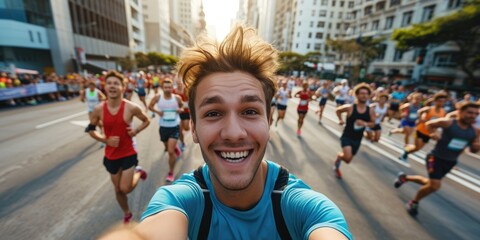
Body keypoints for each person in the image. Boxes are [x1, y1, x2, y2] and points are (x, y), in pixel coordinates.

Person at [100, 25, 352, 240]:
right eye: (213, 113)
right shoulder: (178, 201)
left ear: (269, 120)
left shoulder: (309, 210)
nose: (234, 133)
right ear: (195, 129)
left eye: (250, 111)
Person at [394, 102, 480, 216]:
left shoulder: (475, 131)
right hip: (435, 158)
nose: (472, 116)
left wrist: (476, 147)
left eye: (475, 114)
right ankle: (413, 202)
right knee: (435, 185)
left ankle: (404, 178)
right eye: (469, 112)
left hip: (450, 161)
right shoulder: (448, 123)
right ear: (460, 112)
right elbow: (429, 124)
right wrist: (433, 133)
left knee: (430, 183)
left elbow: (473, 149)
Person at [86, 71, 150, 223]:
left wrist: (136, 130)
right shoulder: (98, 109)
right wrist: (104, 139)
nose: (112, 86)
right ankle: (127, 212)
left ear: (123, 87)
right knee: (117, 189)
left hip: (128, 152)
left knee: (125, 188)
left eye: (116, 83)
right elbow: (90, 129)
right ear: (105, 87)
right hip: (111, 155)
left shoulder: (131, 107)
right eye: (109, 83)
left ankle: (138, 173)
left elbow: (146, 120)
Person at [334, 83, 375, 179]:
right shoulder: (350, 107)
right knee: (347, 157)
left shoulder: (370, 110)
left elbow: (373, 124)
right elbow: (338, 110)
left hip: (357, 139)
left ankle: (340, 156)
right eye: (361, 93)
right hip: (347, 136)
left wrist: (364, 124)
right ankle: (339, 158)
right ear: (356, 95)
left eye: (366, 93)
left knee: (348, 161)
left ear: (369, 95)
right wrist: (340, 120)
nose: (364, 95)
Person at [148, 79, 183, 183]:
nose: (167, 89)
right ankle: (173, 147)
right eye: (165, 87)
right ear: (162, 87)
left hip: (174, 126)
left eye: (169, 87)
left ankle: (171, 172)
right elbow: (150, 106)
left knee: (170, 152)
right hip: (163, 127)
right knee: (167, 147)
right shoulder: (158, 97)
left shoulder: (177, 98)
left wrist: (179, 110)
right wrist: (157, 112)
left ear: (172, 88)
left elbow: (181, 106)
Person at [399, 93, 447, 161]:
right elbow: (419, 111)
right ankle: (405, 153)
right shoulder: (429, 109)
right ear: (435, 101)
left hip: (428, 134)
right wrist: (420, 118)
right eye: (439, 101)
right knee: (416, 146)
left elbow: (441, 123)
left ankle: (406, 151)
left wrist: (437, 131)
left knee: (417, 149)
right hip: (419, 131)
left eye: (443, 101)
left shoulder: (443, 112)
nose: (441, 103)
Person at [172, 78, 190, 151]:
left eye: (180, 82)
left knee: (186, 127)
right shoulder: (173, 91)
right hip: (177, 113)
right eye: (178, 83)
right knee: (180, 130)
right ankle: (182, 142)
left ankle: (189, 128)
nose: (179, 84)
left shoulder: (186, 90)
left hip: (186, 112)